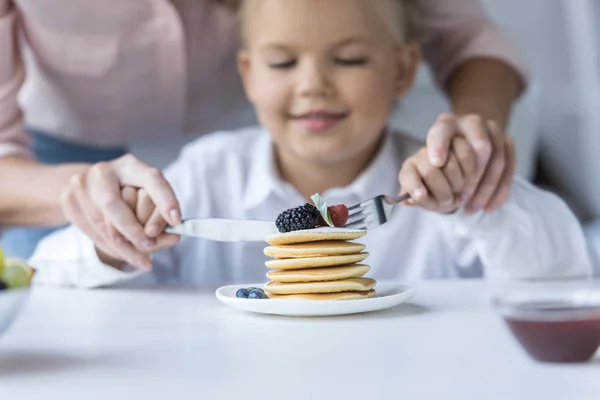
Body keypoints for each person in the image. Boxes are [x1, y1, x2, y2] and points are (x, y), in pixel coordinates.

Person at [28, 0, 591, 289]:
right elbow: (52, 273)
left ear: (403, 71)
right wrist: (112, 245)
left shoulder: (441, 188)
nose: (313, 84)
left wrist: (480, 204)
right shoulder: (199, 180)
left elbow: (560, 269)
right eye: (281, 62)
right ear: (247, 74)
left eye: (348, 59)